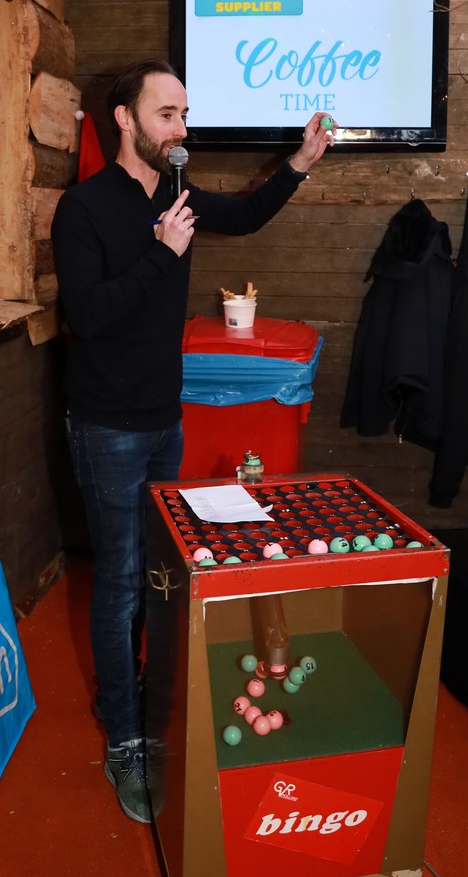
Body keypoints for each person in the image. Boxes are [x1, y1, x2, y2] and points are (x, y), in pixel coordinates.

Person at [51, 58, 334, 824]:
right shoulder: (83, 209)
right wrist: (162, 254)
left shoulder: (175, 196)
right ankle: (126, 737)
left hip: (161, 420)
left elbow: (244, 214)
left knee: (155, 575)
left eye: (183, 114)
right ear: (124, 119)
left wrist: (300, 162)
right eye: (166, 114)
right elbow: (91, 317)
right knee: (118, 581)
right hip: (106, 425)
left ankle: (144, 699)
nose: (181, 129)